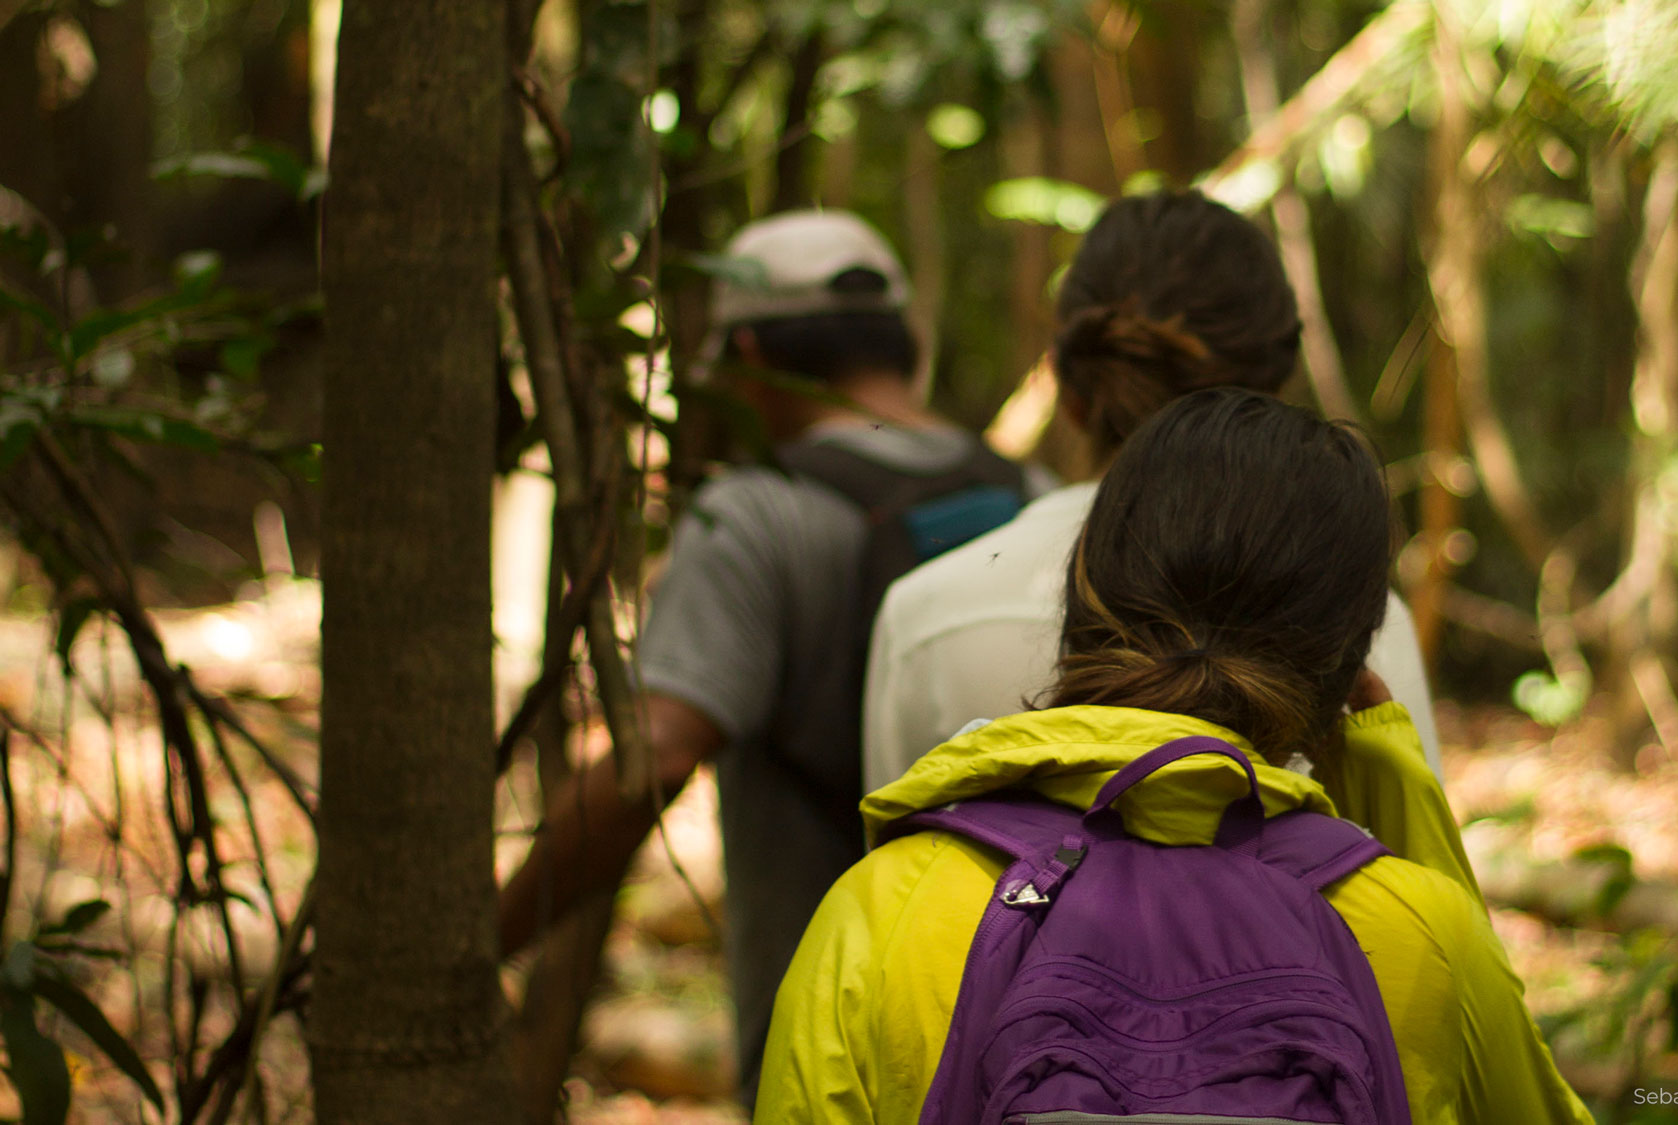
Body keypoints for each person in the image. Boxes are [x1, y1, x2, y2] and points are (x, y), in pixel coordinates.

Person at [756, 388, 1592, 1124]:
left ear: (1083, 593)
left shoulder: (885, 908)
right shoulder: (1418, 932)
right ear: (1350, 666)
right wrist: (1392, 778)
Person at [496, 209, 1029, 1106]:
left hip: (828, 1039)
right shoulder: (1031, 495)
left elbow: (652, 754)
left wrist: (492, 929)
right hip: (1023, 1008)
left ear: (747, 355)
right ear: (905, 343)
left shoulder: (751, 518)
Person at [862, 191, 1443, 812]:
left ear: (1070, 388)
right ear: (1272, 395)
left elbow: (897, 870)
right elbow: (1407, 864)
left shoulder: (927, 615)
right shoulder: (1361, 621)